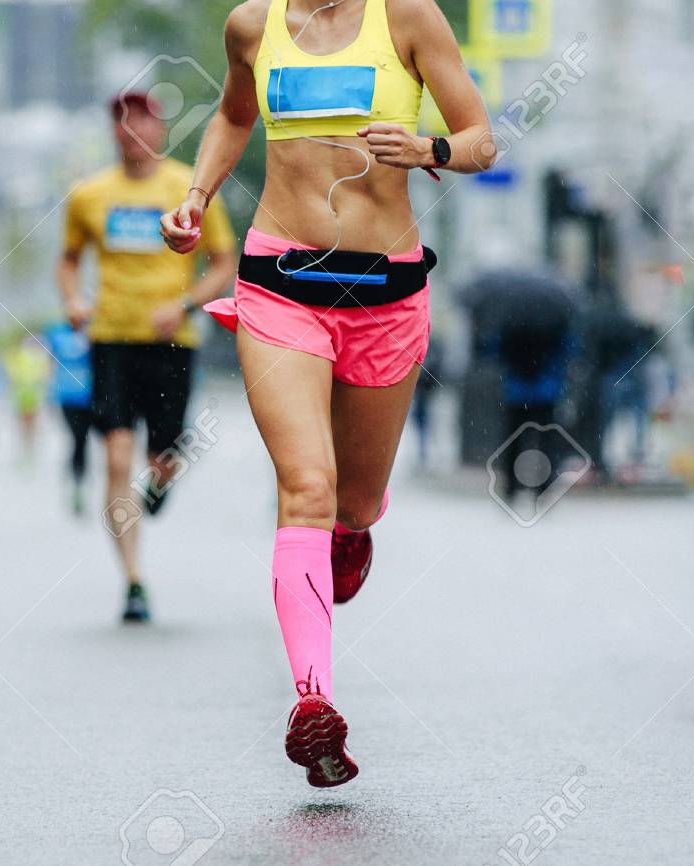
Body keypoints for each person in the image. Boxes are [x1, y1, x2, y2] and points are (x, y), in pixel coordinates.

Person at [161, 0, 491, 787]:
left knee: (356, 500)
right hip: (281, 282)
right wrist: (198, 197)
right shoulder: (252, 26)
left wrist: (425, 146)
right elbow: (232, 118)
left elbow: (481, 139)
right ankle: (314, 707)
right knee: (306, 487)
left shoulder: (408, 16)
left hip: (387, 291)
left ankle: (351, 528)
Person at [58, 91, 238, 622]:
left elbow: (223, 260)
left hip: (171, 343)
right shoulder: (89, 195)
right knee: (116, 457)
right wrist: (72, 299)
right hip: (110, 338)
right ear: (113, 131)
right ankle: (133, 581)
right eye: (122, 119)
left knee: (162, 458)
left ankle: (159, 482)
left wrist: (184, 303)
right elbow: (68, 262)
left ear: (160, 129)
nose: (132, 128)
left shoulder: (189, 187)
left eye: (143, 118)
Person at [47, 322, 95, 515]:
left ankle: (81, 480)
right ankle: (77, 482)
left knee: (84, 441)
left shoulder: (94, 331)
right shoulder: (56, 333)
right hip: (68, 397)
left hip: (91, 396)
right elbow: (50, 363)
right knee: (78, 438)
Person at [5, 335, 50, 464]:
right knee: (28, 424)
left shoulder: (20, 356)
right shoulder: (26, 356)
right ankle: (28, 448)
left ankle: (29, 448)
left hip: (28, 394)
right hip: (25, 394)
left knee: (28, 423)